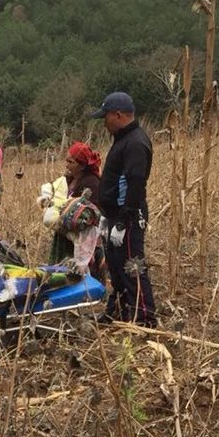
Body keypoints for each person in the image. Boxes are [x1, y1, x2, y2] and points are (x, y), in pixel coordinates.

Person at [91, 92, 156, 327]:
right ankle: (118, 310)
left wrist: (123, 220)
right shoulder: (122, 139)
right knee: (116, 267)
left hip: (128, 215)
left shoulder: (136, 142)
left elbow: (135, 182)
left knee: (132, 266)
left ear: (117, 115)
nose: (104, 122)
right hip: (114, 214)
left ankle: (145, 318)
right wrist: (107, 217)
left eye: (106, 117)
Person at [41, 141, 105, 276]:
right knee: (64, 272)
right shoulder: (68, 179)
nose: (67, 165)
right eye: (67, 161)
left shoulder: (91, 183)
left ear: (81, 166)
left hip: (83, 237)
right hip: (66, 234)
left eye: (71, 162)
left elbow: (90, 213)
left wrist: (67, 212)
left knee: (82, 272)